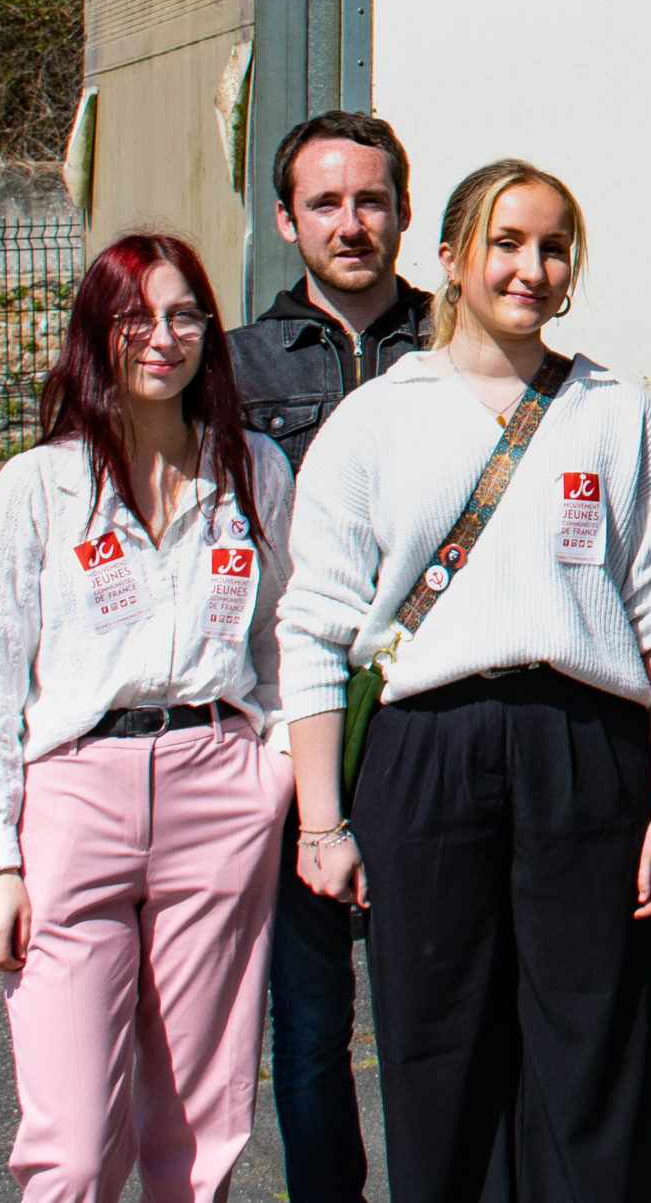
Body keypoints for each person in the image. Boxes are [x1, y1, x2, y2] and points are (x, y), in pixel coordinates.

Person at [277, 159, 651, 1203]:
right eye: (506, 243)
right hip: (427, 751)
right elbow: (315, 627)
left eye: (554, 247)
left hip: (585, 747)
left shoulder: (614, 412)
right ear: (451, 260)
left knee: (593, 1040)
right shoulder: (376, 419)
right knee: (436, 1042)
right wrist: (322, 821)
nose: (531, 267)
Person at [0, 232, 296, 1201]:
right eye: (136, 317)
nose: (162, 337)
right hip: (74, 795)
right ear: (96, 333)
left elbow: (283, 639)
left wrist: (272, 767)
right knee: (75, 1142)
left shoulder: (254, 470)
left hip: (218, 789)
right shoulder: (40, 486)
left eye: (184, 315)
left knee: (201, 1124)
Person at [227, 109, 429, 1203]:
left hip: (430, 722)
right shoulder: (234, 368)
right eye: (325, 203)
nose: (351, 224)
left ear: (402, 211)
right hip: (296, 722)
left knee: (438, 1003)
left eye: (370, 201)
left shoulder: (457, 345)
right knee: (308, 1021)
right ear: (285, 220)